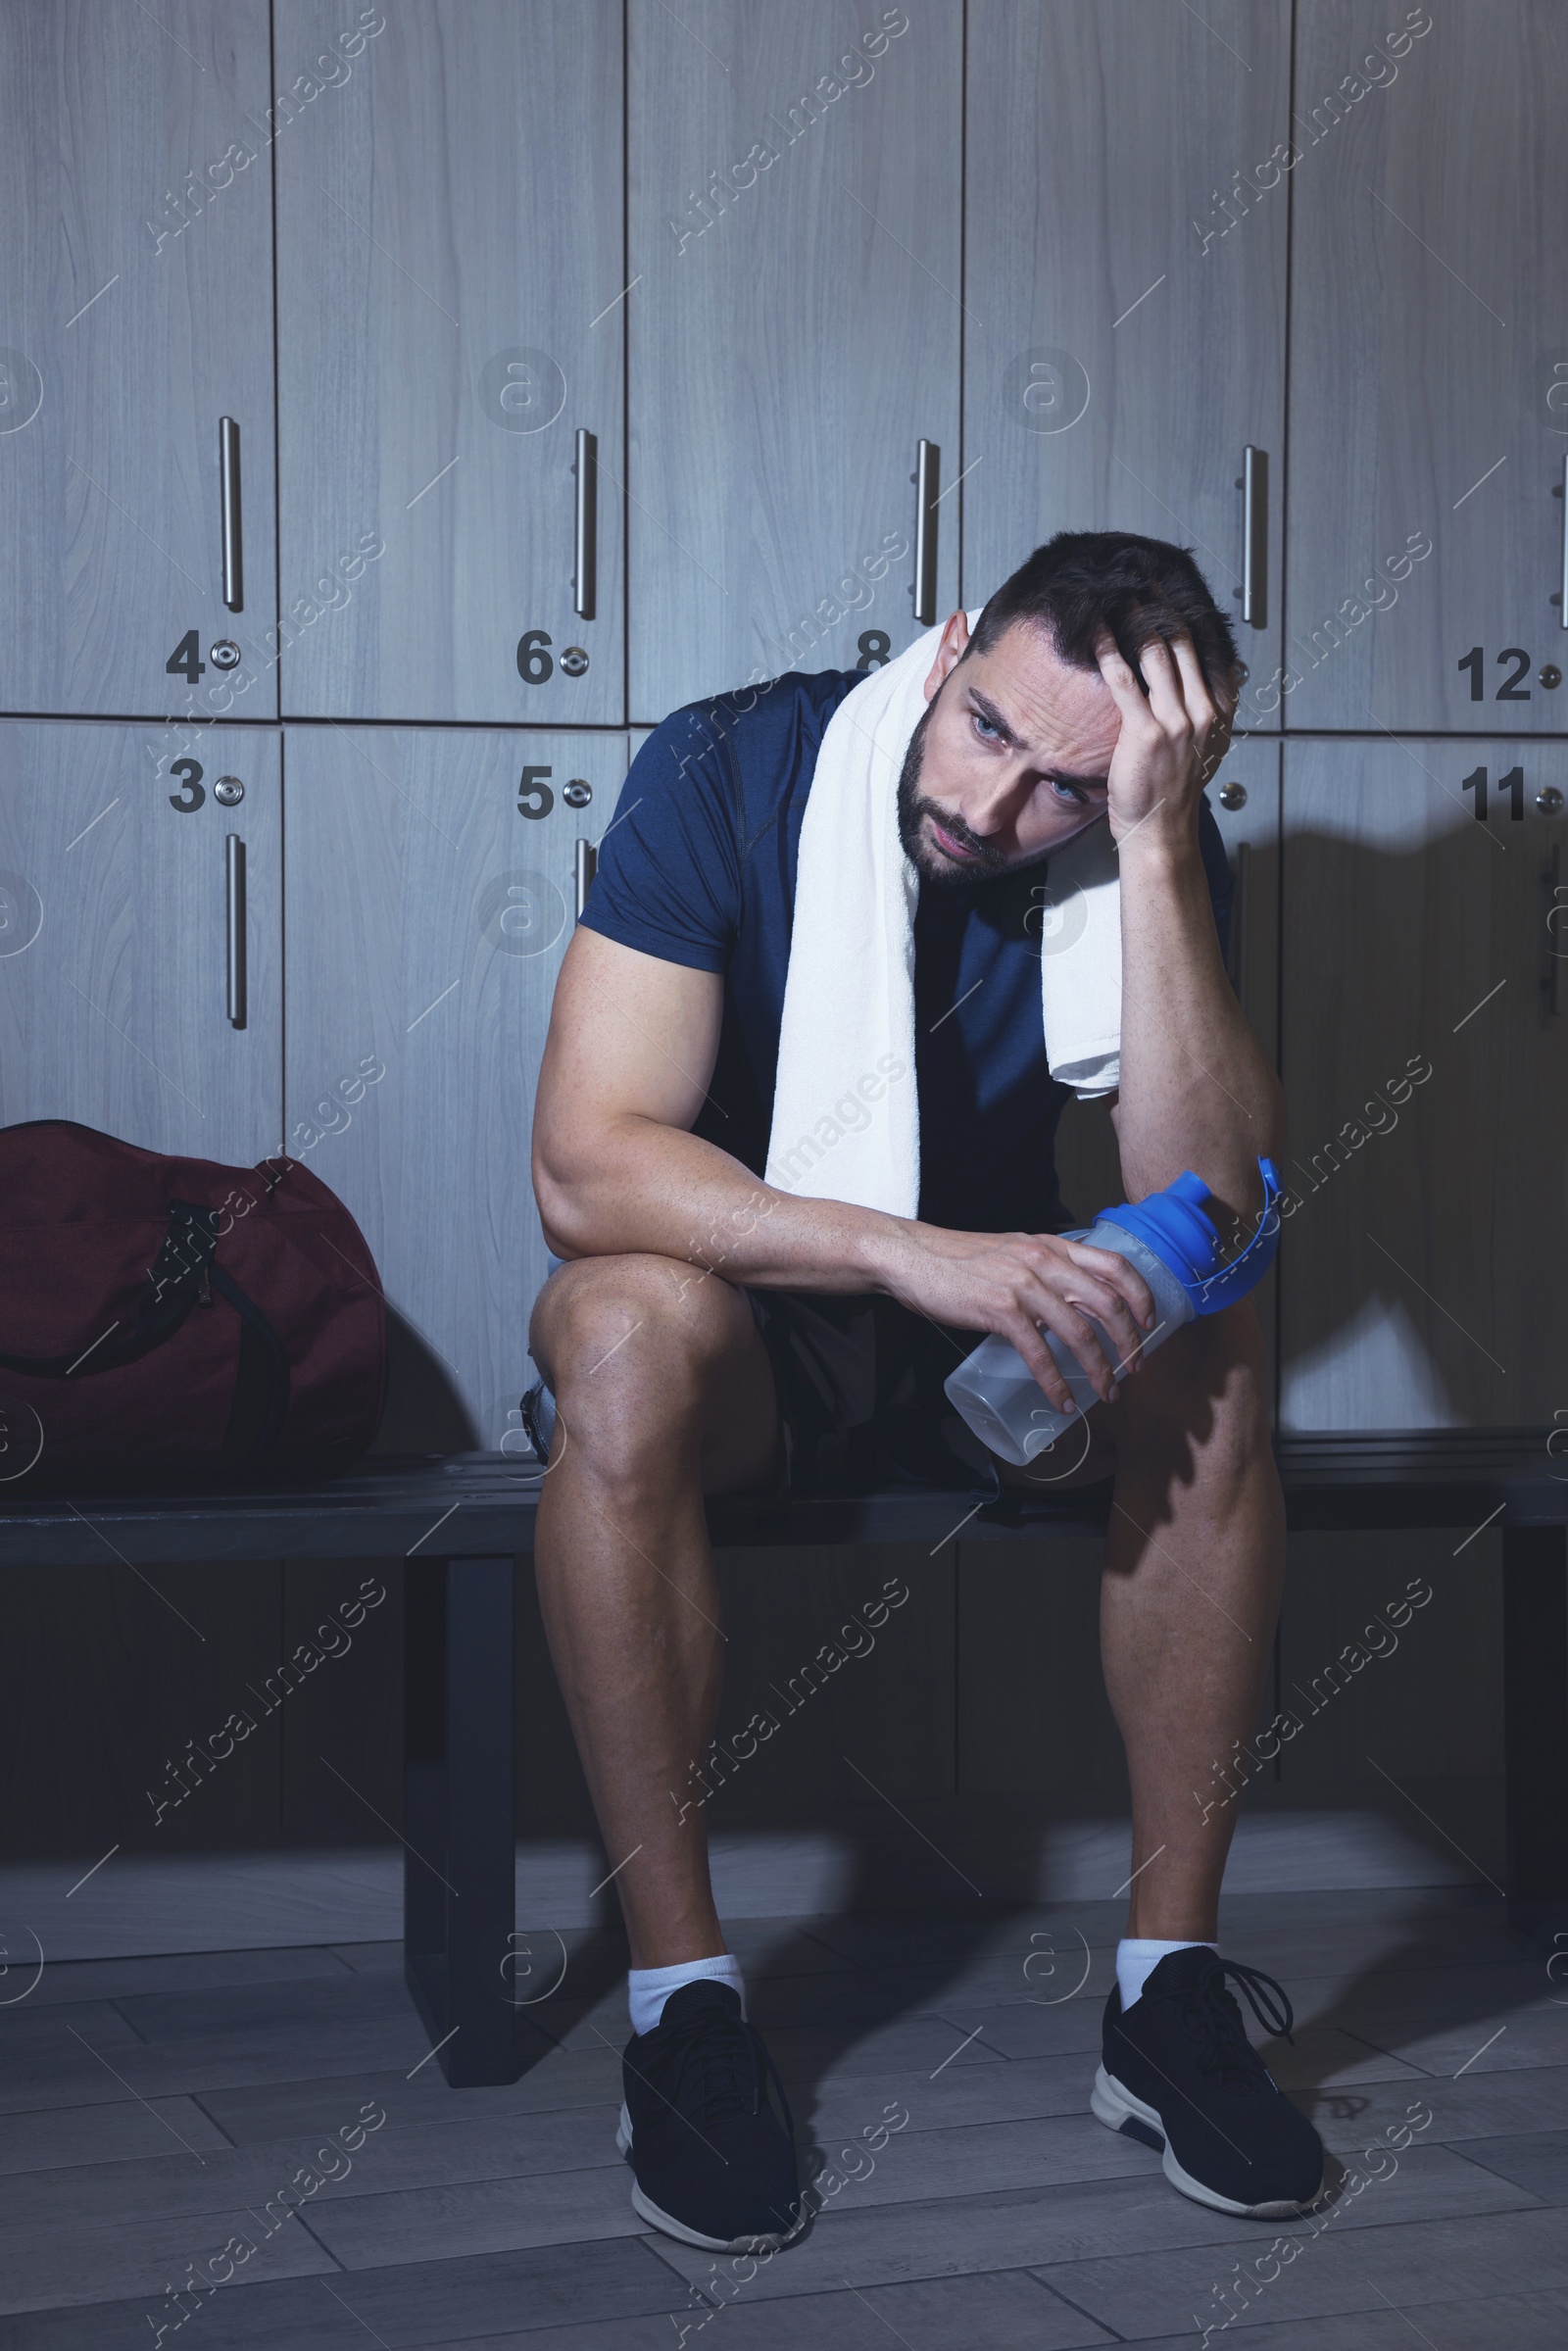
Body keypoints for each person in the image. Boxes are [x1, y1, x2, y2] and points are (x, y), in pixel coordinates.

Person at [525, 531, 1325, 2252]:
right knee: (612, 1331)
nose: (991, 804)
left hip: (996, 1331)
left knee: (1217, 1329)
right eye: (985, 728)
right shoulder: (733, 763)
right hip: (761, 1316)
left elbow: (1219, 1211)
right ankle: (684, 2006)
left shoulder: (1148, 845)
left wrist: (1158, 846)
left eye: (1068, 789)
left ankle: (1166, 1994)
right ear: (952, 643)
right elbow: (589, 1170)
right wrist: (906, 1253)